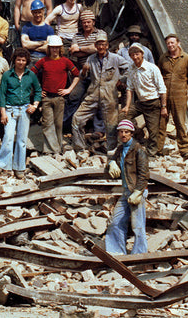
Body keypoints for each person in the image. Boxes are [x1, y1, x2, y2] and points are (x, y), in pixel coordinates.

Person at [71, 31, 125, 151]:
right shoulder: (91, 59)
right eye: (98, 44)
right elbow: (82, 76)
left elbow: (129, 68)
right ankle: (80, 148)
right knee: (77, 118)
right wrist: (84, 71)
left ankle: (112, 150)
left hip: (110, 95)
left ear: (107, 46)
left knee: (111, 125)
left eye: (103, 44)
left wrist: (121, 80)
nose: (101, 47)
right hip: (94, 93)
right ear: (95, 46)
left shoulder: (115, 59)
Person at [104, 119, 148, 256]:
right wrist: (111, 163)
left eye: (126, 132)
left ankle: (139, 255)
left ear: (131, 133)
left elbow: (144, 174)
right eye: (121, 132)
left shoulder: (138, 150)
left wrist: (138, 192)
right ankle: (116, 253)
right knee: (115, 222)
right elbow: (109, 168)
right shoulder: (120, 148)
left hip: (136, 191)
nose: (123, 134)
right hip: (126, 192)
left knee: (138, 225)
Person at [0, 48, 41, 175]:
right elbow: (2, 94)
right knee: (8, 137)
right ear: (14, 60)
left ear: (26, 62)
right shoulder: (7, 75)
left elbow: (38, 90)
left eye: (23, 60)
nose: (20, 62)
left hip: (25, 109)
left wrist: (35, 105)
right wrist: (3, 113)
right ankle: (3, 165)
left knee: (22, 140)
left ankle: (19, 168)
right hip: (10, 109)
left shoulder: (30, 75)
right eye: (18, 60)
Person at [34, 35, 79, 154]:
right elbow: (31, 74)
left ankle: (57, 148)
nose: (55, 50)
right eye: (52, 48)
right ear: (49, 48)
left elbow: (77, 75)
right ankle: (50, 150)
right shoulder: (43, 61)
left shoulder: (65, 61)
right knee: (47, 123)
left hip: (60, 97)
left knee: (59, 124)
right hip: (46, 97)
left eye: (57, 48)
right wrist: (38, 89)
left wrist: (69, 89)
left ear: (60, 48)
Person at [122, 43, 167, 155]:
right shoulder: (131, 69)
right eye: (132, 55)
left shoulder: (152, 68)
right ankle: (139, 134)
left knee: (153, 132)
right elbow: (129, 89)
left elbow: (162, 89)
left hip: (153, 103)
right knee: (122, 117)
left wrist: (163, 107)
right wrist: (127, 106)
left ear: (142, 54)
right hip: (140, 103)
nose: (135, 57)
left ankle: (151, 153)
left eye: (137, 54)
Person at [160, 33, 188, 158]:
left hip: (179, 96)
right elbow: (159, 75)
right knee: (161, 123)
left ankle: (185, 150)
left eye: (172, 42)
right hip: (164, 96)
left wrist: (184, 88)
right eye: (168, 43)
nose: (170, 45)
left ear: (178, 43)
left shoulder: (186, 58)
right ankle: (157, 149)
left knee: (180, 123)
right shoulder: (163, 58)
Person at [20, 0, 54, 65]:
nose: (37, 15)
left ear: (43, 11)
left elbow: (49, 48)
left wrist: (32, 46)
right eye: (35, 12)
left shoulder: (49, 29)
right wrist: (42, 43)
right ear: (32, 12)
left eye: (39, 12)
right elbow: (25, 45)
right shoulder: (26, 27)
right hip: (30, 58)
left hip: (45, 58)